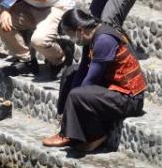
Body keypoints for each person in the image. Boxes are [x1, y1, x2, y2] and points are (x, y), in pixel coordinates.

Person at [41, 9, 146, 152]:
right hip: (112, 87)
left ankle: (96, 135)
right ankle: (65, 129)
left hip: (129, 97)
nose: (72, 39)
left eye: (71, 35)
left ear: (79, 30)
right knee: (69, 73)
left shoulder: (104, 40)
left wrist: (75, 98)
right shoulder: (89, 37)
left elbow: (90, 80)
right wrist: (67, 112)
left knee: (78, 95)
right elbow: (83, 69)